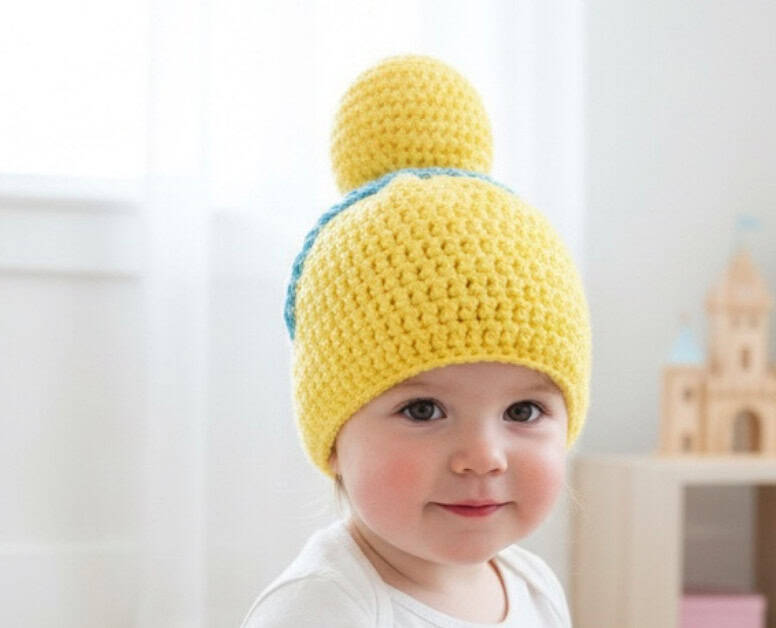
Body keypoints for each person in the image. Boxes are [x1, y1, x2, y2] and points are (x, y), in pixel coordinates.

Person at [242, 54, 592, 627]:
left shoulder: (535, 587)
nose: (483, 456)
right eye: (423, 409)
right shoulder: (322, 610)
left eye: (523, 409)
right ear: (333, 439)